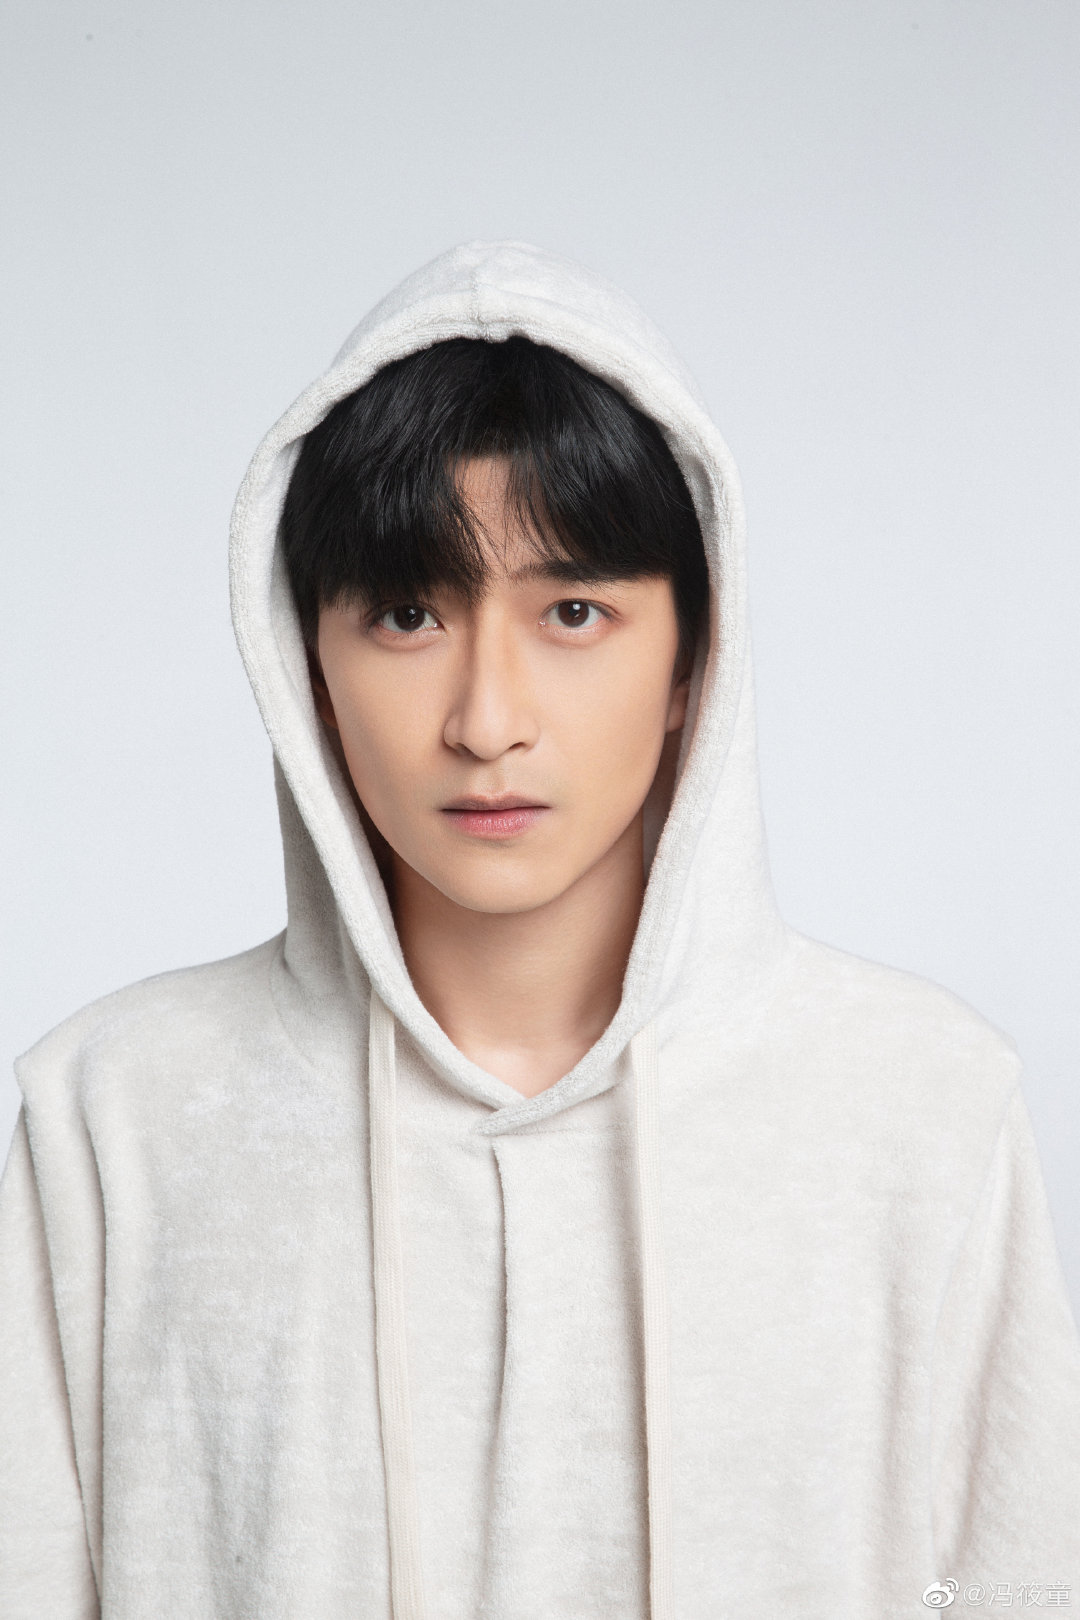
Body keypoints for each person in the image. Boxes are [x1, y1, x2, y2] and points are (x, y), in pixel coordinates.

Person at [1, 241, 1077, 1620]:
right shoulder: (114, 1117)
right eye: (407, 614)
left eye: (573, 612)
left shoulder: (920, 1107)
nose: (487, 719)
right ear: (305, 665)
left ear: (692, 657)